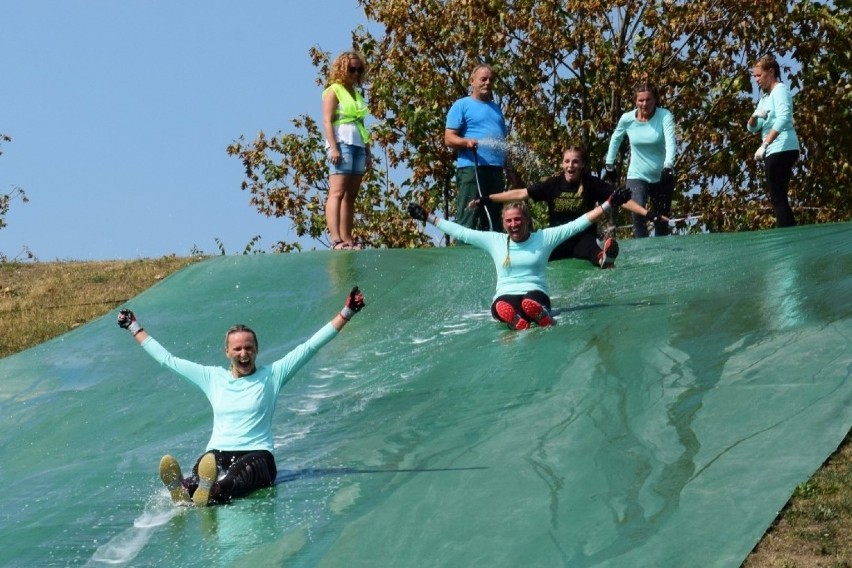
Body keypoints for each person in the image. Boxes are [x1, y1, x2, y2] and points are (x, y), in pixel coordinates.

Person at [116, 287, 366, 506]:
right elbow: (167, 360)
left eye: (249, 348)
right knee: (206, 466)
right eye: (237, 348)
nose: (243, 353)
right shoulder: (212, 378)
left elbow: (310, 346)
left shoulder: (273, 375)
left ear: (257, 350)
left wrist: (348, 312)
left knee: (236, 476)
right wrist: (133, 326)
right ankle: (186, 488)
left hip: (258, 455)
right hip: (217, 452)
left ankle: (208, 491)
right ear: (227, 352)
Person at [407, 188, 631, 330]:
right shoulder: (495, 241)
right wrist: (428, 217)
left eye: (518, 219)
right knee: (500, 306)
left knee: (529, 301)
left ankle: (541, 316)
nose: (514, 224)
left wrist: (609, 203)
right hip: (506, 295)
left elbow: (577, 224)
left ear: (527, 220)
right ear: (504, 224)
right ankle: (518, 321)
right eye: (509, 221)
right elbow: (462, 232)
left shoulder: (543, 238)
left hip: (535, 292)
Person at [470, 146, 666, 269]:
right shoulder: (552, 184)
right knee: (536, 253)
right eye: (567, 161)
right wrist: (487, 198)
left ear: (582, 165)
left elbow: (620, 199)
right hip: (557, 238)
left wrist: (650, 214)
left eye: (575, 162)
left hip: (583, 238)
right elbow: (520, 193)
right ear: (562, 164)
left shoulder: (591, 183)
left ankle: (604, 258)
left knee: (590, 250)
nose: (570, 165)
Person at [605, 83, 677, 238]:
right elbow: (615, 139)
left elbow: (671, 141)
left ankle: (662, 253)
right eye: (641, 100)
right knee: (638, 213)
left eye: (648, 100)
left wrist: (668, 165)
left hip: (661, 175)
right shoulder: (627, 119)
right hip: (637, 174)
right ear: (635, 101)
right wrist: (609, 164)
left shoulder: (664, 115)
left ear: (655, 100)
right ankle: (642, 252)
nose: (645, 104)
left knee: (661, 219)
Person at [444, 63, 507, 231]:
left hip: (496, 171)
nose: (487, 83)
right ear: (472, 81)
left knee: (496, 219)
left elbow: (502, 143)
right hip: (472, 169)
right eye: (483, 79)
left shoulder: (496, 109)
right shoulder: (462, 105)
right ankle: (462, 254)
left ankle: (494, 255)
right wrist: (466, 142)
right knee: (469, 215)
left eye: (491, 80)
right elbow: (448, 138)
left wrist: (511, 170)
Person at [322, 51, 372, 250]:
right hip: (341, 142)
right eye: (352, 69)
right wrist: (333, 147)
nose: (356, 73)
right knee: (337, 191)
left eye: (359, 70)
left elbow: (361, 122)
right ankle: (336, 239)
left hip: (359, 143)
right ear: (343, 69)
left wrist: (368, 151)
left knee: (351, 195)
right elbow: (327, 120)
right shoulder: (334, 90)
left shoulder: (357, 93)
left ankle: (347, 238)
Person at [748, 54, 800, 228]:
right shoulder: (765, 97)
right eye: (754, 76)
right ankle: (789, 232)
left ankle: (787, 236)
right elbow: (753, 127)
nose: (756, 80)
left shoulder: (779, 90)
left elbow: (784, 117)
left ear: (770, 72)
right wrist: (754, 117)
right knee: (778, 196)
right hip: (773, 149)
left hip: (782, 146)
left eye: (759, 75)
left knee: (778, 196)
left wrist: (765, 144)